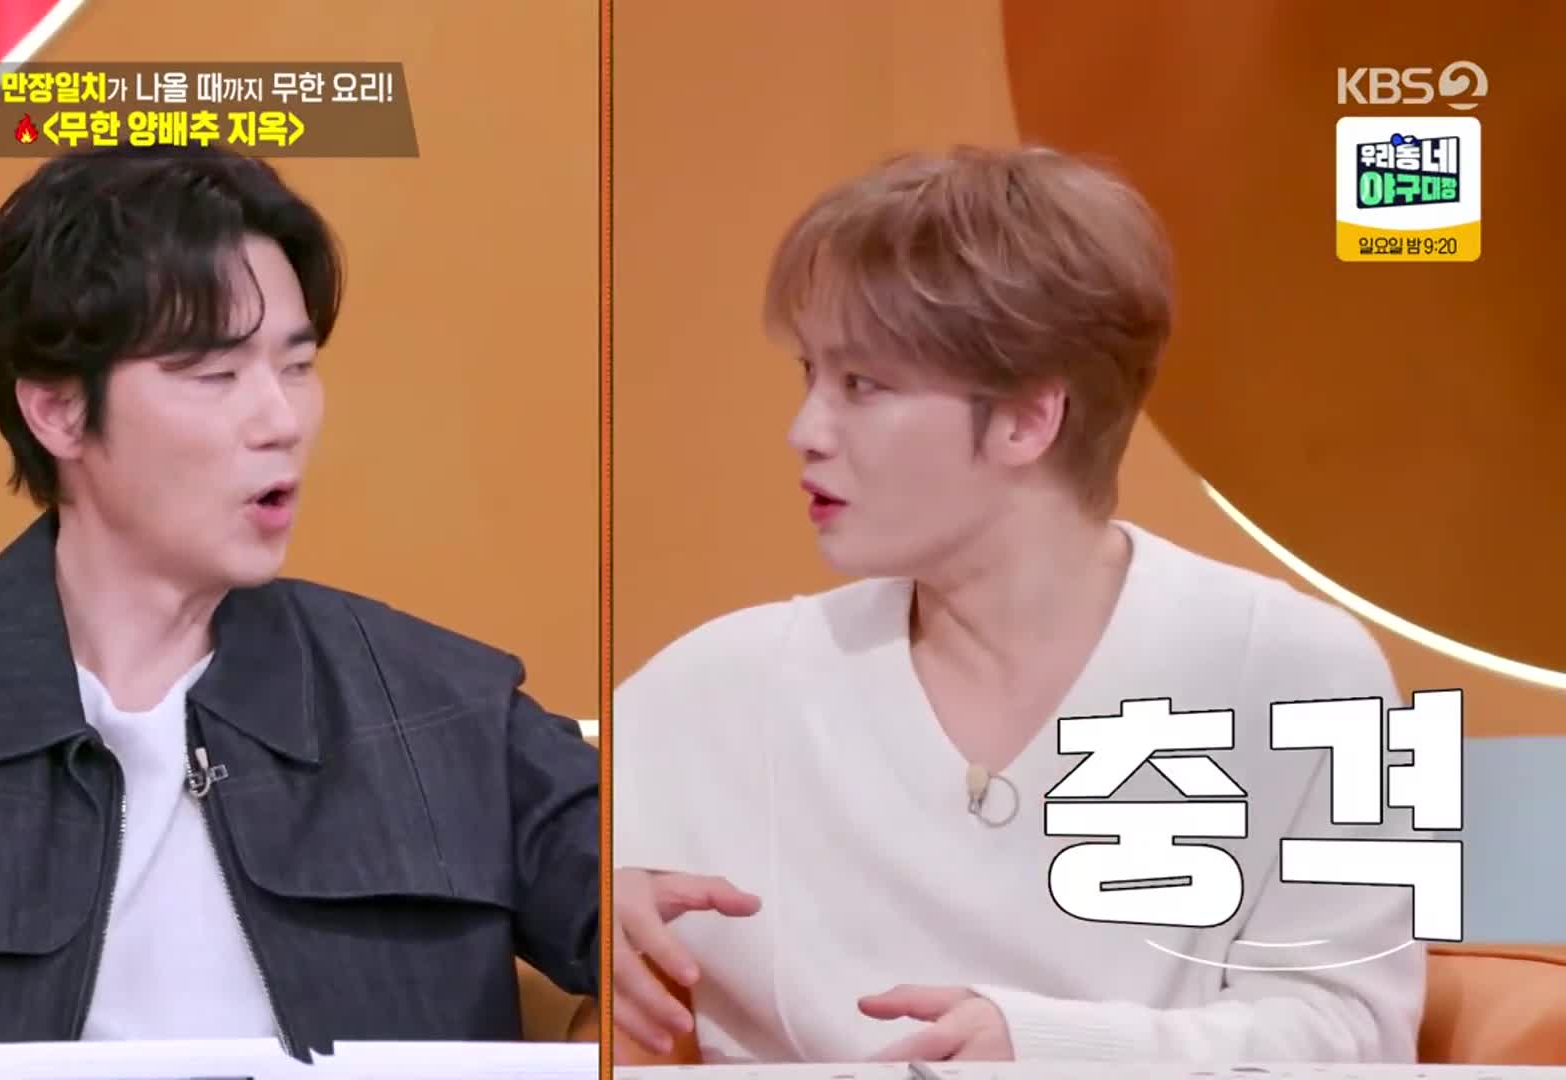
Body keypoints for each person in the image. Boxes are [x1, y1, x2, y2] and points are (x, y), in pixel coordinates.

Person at [0, 144, 600, 1069]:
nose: (280, 421)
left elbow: (636, 889)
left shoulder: (443, 708)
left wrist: (641, 920)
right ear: (59, 410)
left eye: (297, 366)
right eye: (215, 374)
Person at [610, 146, 1426, 1066]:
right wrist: (588, 907)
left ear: (1029, 418)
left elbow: (1358, 1032)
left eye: (861, 385)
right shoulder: (713, 687)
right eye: (810, 375)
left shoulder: (1306, 670)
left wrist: (1045, 1050)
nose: (805, 431)